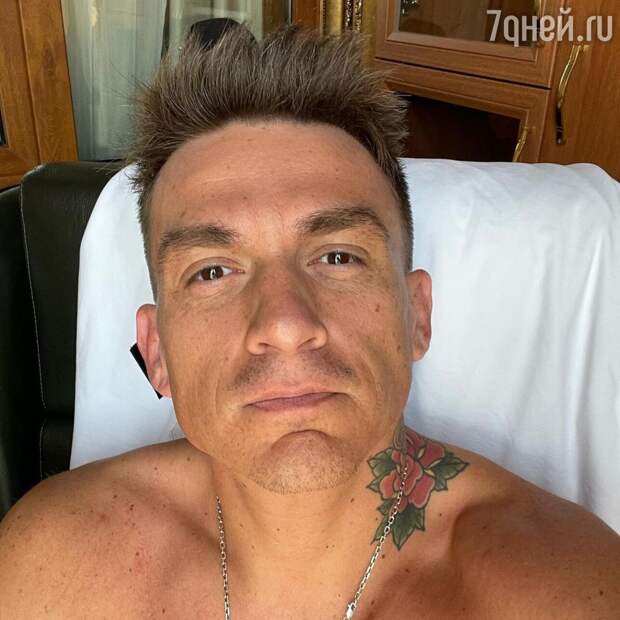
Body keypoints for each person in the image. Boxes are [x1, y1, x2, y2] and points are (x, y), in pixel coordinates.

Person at [1, 23, 619, 619]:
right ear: (156, 350)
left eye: (337, 257)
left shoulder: (567, 590)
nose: (286, 324)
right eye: (212, 271)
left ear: (417, 315)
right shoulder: (48, 566)